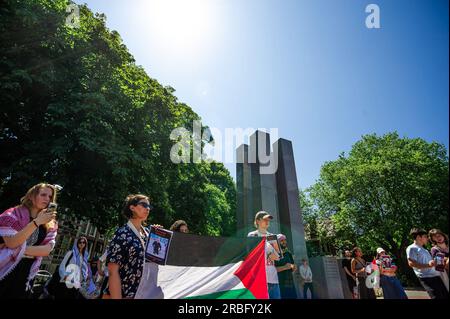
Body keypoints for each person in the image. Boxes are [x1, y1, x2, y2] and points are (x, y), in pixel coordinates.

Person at [0, 183, 58, 298]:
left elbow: (47, 250)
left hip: (27, 271)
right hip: (5, 267)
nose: (47, 199)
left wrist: (18, 248)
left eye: (50, 197)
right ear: (31, 196)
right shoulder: (12, 214)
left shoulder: (51, 223)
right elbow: (12, 242)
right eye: (43, 195)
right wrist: (36, 222)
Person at [105, 194, 152, 299]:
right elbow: (113, 272)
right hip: (122, 294)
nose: (148, 208)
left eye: (149, 207)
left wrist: (158, 235)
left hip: (142, 294)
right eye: (144, 205)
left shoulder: (149, 234)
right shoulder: (122, 233)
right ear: (132, 207)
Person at [406, 228, 448, 299]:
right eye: (425, 236)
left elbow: (432, 263)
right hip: (427, 278)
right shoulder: (412, 248)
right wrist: (428, 265)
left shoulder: (424, 250)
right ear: (419, 237)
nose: (427, 238)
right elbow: (411, 263)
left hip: (436, 276)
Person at [247, 211, 280, 299]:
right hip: (259, 279)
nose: (267, 221)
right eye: (264, 219)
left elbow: (279, 257)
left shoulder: (272, 236)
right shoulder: (252, 235)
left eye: (268, 219)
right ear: (257, 221)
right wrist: (269, 253)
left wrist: (277, 256)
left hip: (273, 279)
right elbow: (252, 255)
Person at [274, 234, 297, 299]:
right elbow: (273, 269)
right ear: (277, 242)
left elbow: (292, 266)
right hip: (280, 285)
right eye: (281, 240)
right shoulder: (274, 254)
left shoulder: (288, 253)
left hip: (290, 284)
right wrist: (285, 267)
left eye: (285, 240)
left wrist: (294, 267)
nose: (284, 242)